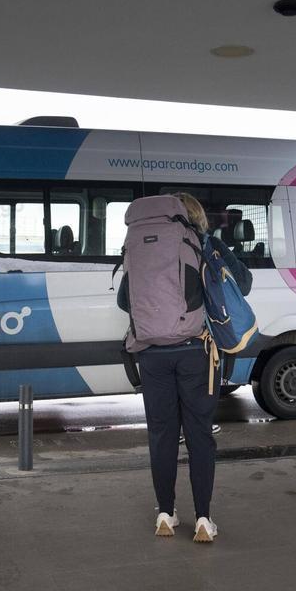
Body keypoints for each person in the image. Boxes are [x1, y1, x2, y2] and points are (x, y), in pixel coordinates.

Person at [118, 192, 251, 542]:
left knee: (161, 435)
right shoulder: (205, 244)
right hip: (196, 352)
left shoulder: (138, 244)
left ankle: (165, 513)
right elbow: (244, 284)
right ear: (198, 217)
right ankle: (204, 519)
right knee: (199, 435)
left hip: (150, 353)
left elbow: (123, 300)